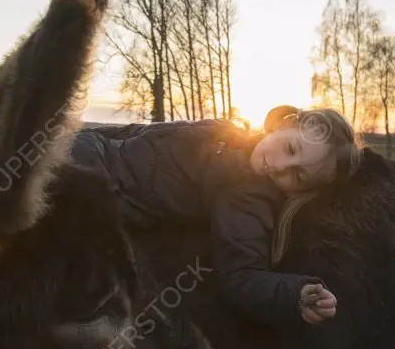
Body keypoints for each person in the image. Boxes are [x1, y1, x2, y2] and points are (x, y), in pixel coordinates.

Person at [71, 106, 363, 328]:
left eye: (296, 176)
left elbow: (241, 276)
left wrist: (293, 295)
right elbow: (138, 134)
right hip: (85, 147)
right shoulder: (226, 130)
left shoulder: (248, 197)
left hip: (92, 189)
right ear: (286, 124)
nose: (280, 167)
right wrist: (84, 136)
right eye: (290, 148)